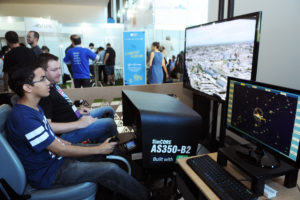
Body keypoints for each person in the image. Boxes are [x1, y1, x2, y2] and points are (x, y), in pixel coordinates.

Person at [6, 64, 148, 200]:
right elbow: (60, 150)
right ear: (27, 87)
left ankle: (135, 181)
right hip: (49, 173)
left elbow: (53, 140)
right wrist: (98, 149)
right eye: (42, 79)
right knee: (109, 169)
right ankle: (145, 196)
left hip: (56, 160)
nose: (47, 82)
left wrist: (69, 144)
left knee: (110, 151)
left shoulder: (33, 108)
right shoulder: (24, 118)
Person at [38, 53, 117, 144]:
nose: (59, 73)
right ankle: (107, 150)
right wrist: (80, 124)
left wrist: (77, 111)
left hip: (77, 118)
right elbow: (48, 127)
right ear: (42, 72)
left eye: (59, 68)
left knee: (109, 110)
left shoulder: (54, 85)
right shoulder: (45, 93)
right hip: (68, 133)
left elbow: (61, 109)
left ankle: (98, 143)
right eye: (54, 70)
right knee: (109, 123)